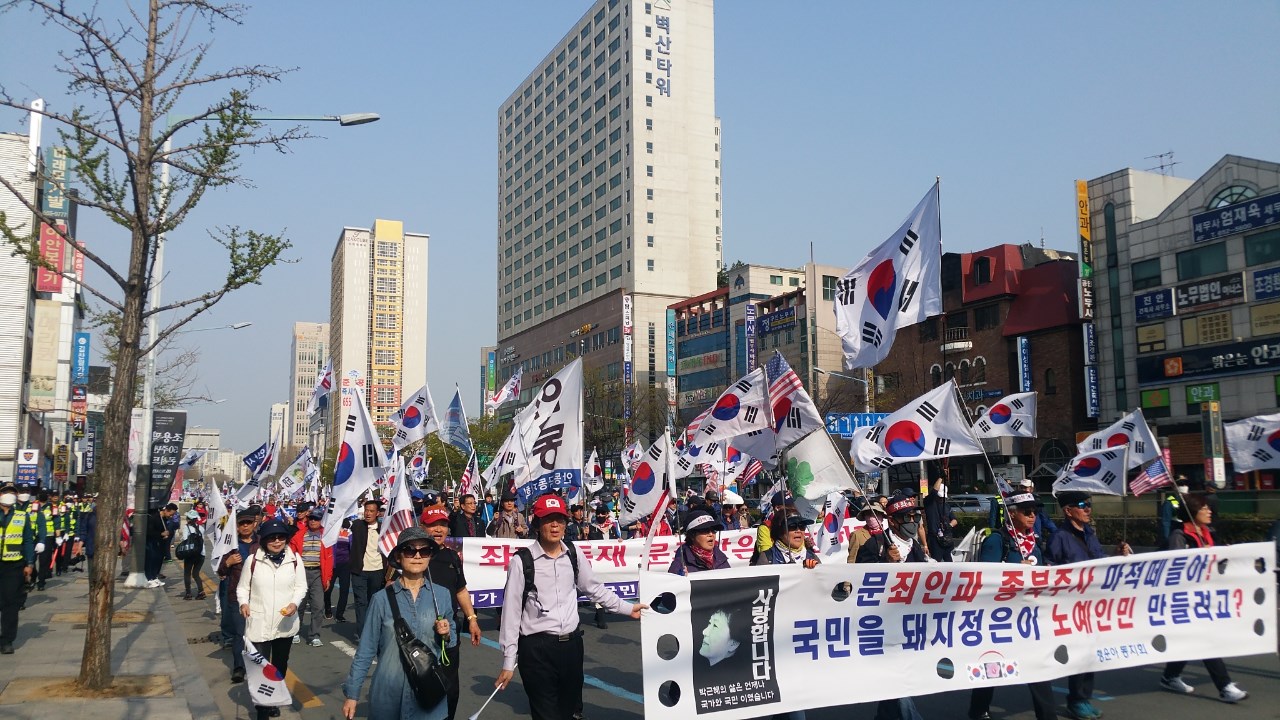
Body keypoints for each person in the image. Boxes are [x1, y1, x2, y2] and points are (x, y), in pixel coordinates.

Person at [495, 494, 646, 720]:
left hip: (571, 647)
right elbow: (511, 613)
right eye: (548, 520)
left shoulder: (573, 554)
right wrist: (508, 662)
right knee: (545, 714)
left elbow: (594, 589)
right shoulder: (521, 561)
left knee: (569, 712)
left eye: (560, 520)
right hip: (536, 650)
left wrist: (627, 608)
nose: (555, 525)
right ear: (537, 524)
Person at [341, 527, 455, 720]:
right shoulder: (381, 599)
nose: (417, 556)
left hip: (427, 697)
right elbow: (366, 650)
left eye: (424, 551)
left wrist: (447, 633)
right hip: (388, 696)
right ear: (399, 556)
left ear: (430, 556)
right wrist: (352, 694)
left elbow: (450, 642)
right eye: (410, 550)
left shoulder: (441, 595)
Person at [967, 491, 1055, 720]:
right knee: (992, 666)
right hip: (1000, 619)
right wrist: (1014, 572)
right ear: (1012, 513)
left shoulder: (1034, 543)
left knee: (1038, 670)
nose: (1033, 516)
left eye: (1035, 512)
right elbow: (985, 580)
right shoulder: (998, 540)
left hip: (1028, 618)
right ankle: (978, 711)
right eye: (1027, 511)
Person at [1045, 491, 1132, 720]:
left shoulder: (1090, 534)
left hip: (1092, 605)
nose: (1088, 509)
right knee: (1078, 653)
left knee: (1090, 653)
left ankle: (1083, 698)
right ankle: (1076, 700)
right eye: (1082, 505)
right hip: (1070, 606)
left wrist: (1116, 555)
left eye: (1089, 504)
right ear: (1068, 510)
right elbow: (1050, 570)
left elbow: (1099, 561)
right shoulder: (1059, 537)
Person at [1158, 494, 1248, 703]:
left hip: (1206, 595)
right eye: (1204, 508)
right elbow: (1175, 566)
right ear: (1192, 512)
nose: (1209, 512)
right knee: (1205, 639)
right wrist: (1201, 555)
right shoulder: (1179, 536)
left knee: (1190, 640)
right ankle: (1224, 686)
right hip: (1186, 598)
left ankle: (1170, 676)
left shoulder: (1208, 533)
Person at [237, 518, 307, 719]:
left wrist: (294, 603)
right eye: (272, 538)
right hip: (259, 623)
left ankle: (273, 700)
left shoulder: (295, 560)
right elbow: (243, 588)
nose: (277, 541)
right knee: (261, 668)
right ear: (264, 540)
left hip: (285, 623)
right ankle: (262, 709)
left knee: (279, 666)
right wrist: (244, 603)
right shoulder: (253, 561)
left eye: (281, 537)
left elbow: (301, 586)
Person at [422, 507, 483, 720]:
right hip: (419, 634)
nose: (438, 529)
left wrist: (472, 619)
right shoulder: (413, 556)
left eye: (443, 525)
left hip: (449, 635)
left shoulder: (452, 556)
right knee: (421, 688)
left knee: (450, 690)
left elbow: (461, 590)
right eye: (433, 525)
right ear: (422, 527)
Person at [217, 509, 258, 682]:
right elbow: (220, 571)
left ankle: (258, 666)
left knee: (258, 634)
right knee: (240, 633)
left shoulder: (263, 543)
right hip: (237, 597)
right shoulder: (230, 545)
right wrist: (228, 562)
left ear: (255, 524)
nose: (245, 526)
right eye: (242, 523)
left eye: (248, 523)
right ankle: (239, 667)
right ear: (237, 526)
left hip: (260, 595)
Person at [0, 483, 36, 654]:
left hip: (14, 565)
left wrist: (30, 563)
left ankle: (7, 640)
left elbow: (28, 540)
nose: (9, 495)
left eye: (12, 493)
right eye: (5, 492)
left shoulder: (22, 516)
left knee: (11, 603)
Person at [288, 510, 332, 647]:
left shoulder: (326, 536)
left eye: (316, 519)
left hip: (318, 573)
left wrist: (328, 577)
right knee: (299, 605)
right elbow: (291, 554)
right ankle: (295, 632)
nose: (313, 521)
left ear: (321, 521)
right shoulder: (299, 535)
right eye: (311, 518)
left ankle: (314, 636)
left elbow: (329, 559)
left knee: (318, 605)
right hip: (301, 574)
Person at [349, 499, 385, 639]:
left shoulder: (383, 528)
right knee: (361, 602)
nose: (368, 513)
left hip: (378, 570)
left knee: (374, 602)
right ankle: (363, 633)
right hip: (360, 570)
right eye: (366, 510)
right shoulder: (358, 525)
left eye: (371, 511)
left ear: (377, 513)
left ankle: (374, 630)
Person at [671, 510, 730, 575]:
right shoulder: (680, 564)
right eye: (705, 530)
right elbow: (672, 580)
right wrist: (680, 578)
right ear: (692, 535)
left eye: (713, 530)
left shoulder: (721, 558)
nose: (711, 534)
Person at [923, 474, 958, 562]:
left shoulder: (946, 505)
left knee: (950, 563)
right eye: (940, 496)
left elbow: (954, 520)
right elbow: (934, 491)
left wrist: (949, 525)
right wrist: (941, 477)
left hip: (947, 537)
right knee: (936, 562)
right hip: (935, 538)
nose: (941, 498)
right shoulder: (929, 503)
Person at [325, 518, 352, 622]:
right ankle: (328, 609)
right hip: (332, 565)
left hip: (345, 565)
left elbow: (352, 548)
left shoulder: (350, 533)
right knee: (328, 589)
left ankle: (340, 614)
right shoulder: (331, 533)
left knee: (344, 590)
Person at [144, 503, 178, 587]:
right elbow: (149, 531)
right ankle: (149, 578)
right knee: (151, 559)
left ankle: (154, 576)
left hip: (160, 542)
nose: (171, 516)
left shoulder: (165, 519)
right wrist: (161, 534)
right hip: (151, 541)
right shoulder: (154, 517)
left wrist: (166, 533)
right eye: (171, 514)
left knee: (158, 559)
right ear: (166, 510)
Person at [845, 496, 886, 562]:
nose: (871, 517)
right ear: (864, 517)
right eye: (868, 514)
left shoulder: (888, 534)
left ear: (882, 515)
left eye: (876, 513)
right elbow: (851, 560)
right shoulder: (857, 535)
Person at [180, 510, 208, 600]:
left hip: (190, 554)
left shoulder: (186, 528)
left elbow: (185, 539)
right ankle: (201, 592)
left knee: (187, 573)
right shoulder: (201, 528)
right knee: (196, 574)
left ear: (189, 519)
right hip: (201, 554)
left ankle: (188, 593)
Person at [1157, 481, 1188, 548]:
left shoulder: (1189, 499)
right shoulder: (1171, 500)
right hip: (1175, 530)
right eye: (1180, 484)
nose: (1184, 486)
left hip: (1187, 531)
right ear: (1174, 487)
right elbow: (1166, 521)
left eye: (1185, 484)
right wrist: (1166, 538)